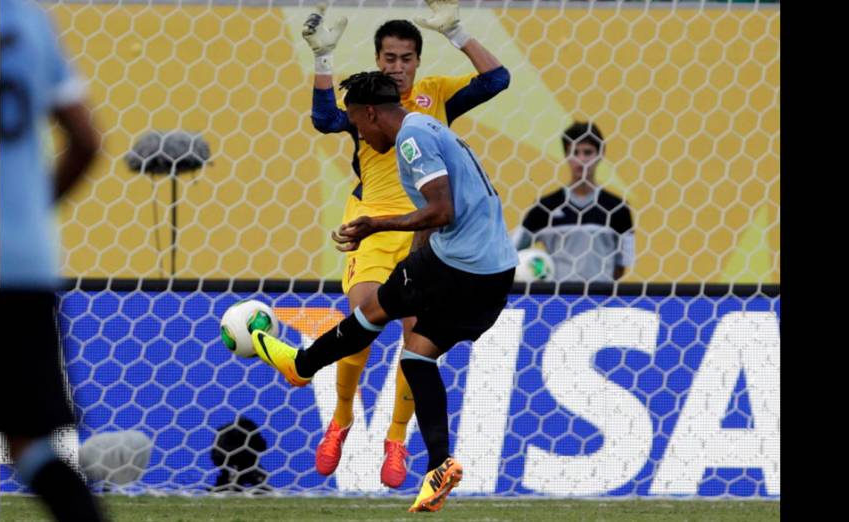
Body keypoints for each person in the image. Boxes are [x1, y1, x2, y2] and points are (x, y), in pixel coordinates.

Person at [252, 71, 517, 512]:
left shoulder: (411, 140)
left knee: (371, 313)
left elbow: (442, 209)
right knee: (417, 354)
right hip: (493, 274)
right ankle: (439, 466)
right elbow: (434, 215)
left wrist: (376, 223)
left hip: (460, 266)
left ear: (371, 113)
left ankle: (301, 366)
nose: (358, 133)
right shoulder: (429, 129)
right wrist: (412, 263)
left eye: (357, 124)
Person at [301, 0, 510, 488]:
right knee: (365, 316)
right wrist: (323, 60)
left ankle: (395, 439)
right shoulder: (368, 103)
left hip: (424, 230)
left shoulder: (434, 96)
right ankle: (342, 419)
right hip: (373, 222)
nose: (397, 67)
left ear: (418, 60)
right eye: (389, 58)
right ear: (378, 60)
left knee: (416, 335)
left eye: (406, 58)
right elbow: (325, 120)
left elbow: (497, 81)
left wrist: (457, 32)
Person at [0, 0, 103, 520]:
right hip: (21, 265)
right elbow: (86, 141)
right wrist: (26, 215)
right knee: (32, 447)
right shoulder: (28, 21)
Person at [513, 121, 635, 282]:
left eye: (587, 152)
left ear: (600, 154)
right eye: (574, 152)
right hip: (558, 301)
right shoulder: (545, 207)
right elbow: (512, 249)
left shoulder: (618, 208)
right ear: (566, 156)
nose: (581, 159)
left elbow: (621, 266)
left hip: (600, 302)